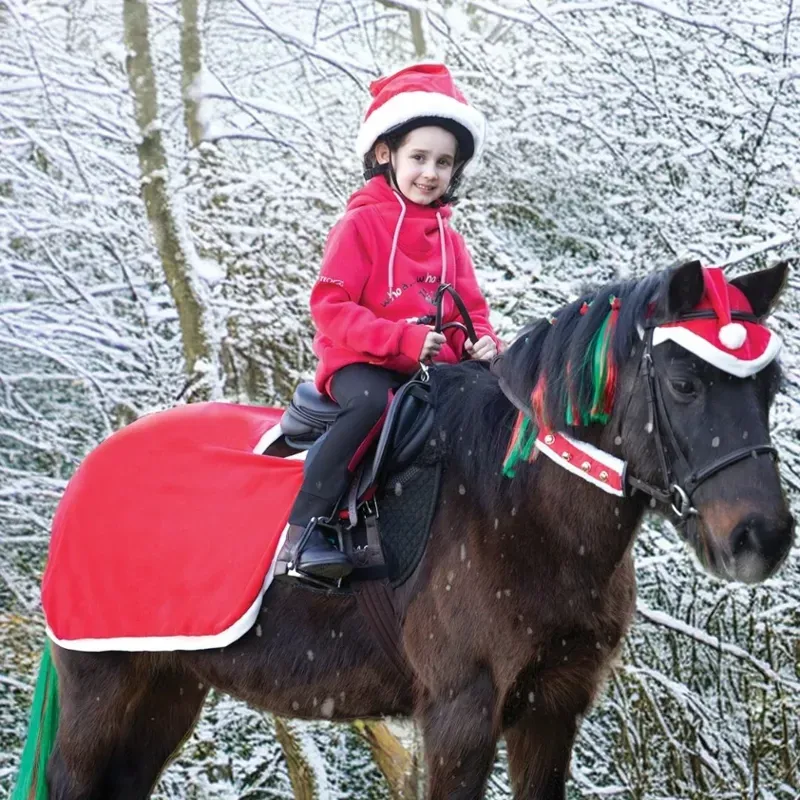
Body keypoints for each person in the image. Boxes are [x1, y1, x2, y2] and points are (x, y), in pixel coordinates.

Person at [284, 63, 501, 579]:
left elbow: (470, 312)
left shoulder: (450, 240)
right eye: (419, 157)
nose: (431, 173)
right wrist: (400, 339)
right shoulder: (359, 224)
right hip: (360, 361)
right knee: (371, 404)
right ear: (386, 154)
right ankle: (307, 529)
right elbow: (330, 308)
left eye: (443, 162)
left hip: (429, 369)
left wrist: (483, 343)